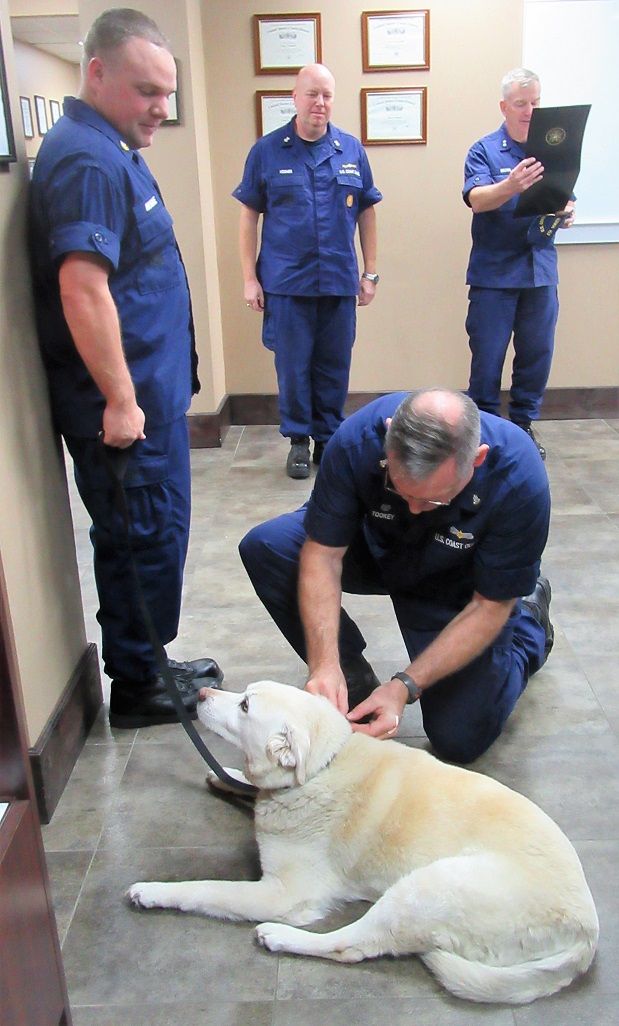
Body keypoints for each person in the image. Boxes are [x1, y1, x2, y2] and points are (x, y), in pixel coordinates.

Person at [29, 8, 223, 729]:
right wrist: (119, 398)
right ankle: (140, 687)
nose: (161, 110)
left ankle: (147, 660)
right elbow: (81, 285)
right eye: (147, 91)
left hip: (149, 396)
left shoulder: (108, 145)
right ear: (97, 72)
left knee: (154, 535)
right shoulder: (85, 158)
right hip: (124, 411)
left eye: (166, 93)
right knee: (140, 537)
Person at [239, 388, 554, 765]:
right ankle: (349, 677)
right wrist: (325, 662)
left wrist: (404, 686)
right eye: (400, 490)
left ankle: (531, 619)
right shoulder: (356, 441)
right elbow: (322, 556)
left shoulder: (519, 479)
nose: (416, 510)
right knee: (267, 545)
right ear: (388, 437)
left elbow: (489, 606)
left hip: (460, 588)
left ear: (478, 459)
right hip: (377, 549)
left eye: (434, 500)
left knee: (460, 738)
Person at [233, 63, 382, 479]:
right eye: (312, 94)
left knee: (335, 364)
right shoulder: (266, 151)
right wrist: (249, 277)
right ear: (295, 98)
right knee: (293, 366)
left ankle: (328, 440)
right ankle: (299, 440)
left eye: (328, 95)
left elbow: (367, 214)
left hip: (337, 281)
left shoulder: (351, 151)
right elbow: (249, 217)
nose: (320, 103)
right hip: (286, 283)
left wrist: (371, 272)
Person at [463, 68, 575, 460]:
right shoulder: (484, 149)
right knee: (488, 358)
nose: (530, 111)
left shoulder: (553, 147)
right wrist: (511, 184)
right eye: (521, 103)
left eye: (535, 102)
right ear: (504, 106)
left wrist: (568, 209)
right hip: (495, 275)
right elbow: (477, 199)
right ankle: (485, 432)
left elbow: (564, 195)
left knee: (537, 354)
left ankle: (524, 426)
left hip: (539, 271)